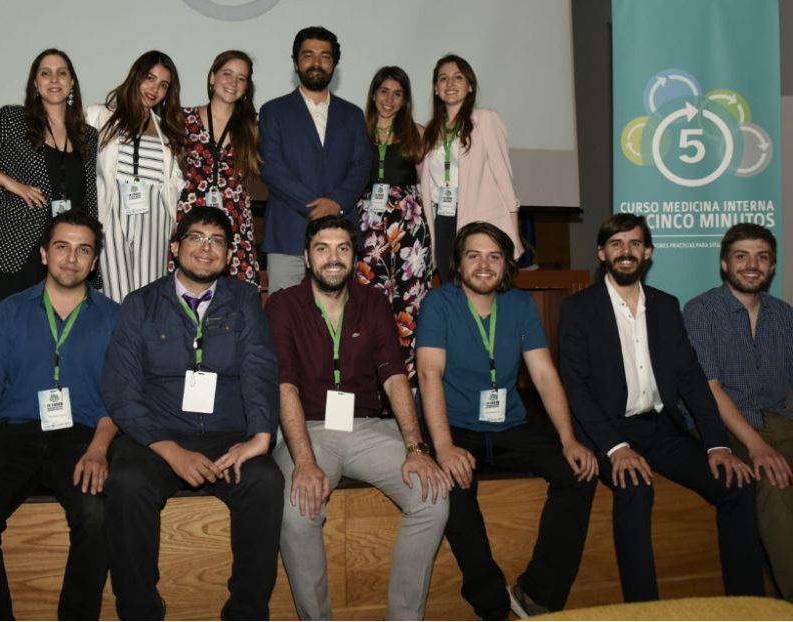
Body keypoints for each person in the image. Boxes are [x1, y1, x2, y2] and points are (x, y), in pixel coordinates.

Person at [559, 213, 765, 602]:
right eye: (616, 244)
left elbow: (691, 379)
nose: (626, 252)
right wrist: (616, 449)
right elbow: (576, 389)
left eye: (635, 244)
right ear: (602, 253)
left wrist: (716, 444)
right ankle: (645, 610)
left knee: (738, 484)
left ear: (648, 252)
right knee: (636, 489)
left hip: (661, 428)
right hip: (607, 431)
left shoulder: (667, 306)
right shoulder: (578, 309)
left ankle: (747, 605)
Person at [102, 206, 282, 620]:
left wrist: (259, 437)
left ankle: (247, 611)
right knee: (127, 483)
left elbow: (259, 367)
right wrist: (170, 450)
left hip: (226, 434)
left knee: (265, 482)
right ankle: (140, 610)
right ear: (175, 247)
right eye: (197, 237)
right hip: (158, 435)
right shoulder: (140, 304)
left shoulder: (244, 300)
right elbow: (121, 390)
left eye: (217, 241)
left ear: (228, 255)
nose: (207, 248)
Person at [266, 214, 449, 620]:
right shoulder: (282, 304)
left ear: (355, 256)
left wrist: (417, 447)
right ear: (307, 257)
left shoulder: (373, 302)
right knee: (297, 514)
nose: (333, 258)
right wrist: (305, 463)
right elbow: (285, 386)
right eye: (323, 248)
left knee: (432, 498)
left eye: (343, 248)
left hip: (366, 427)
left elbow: (395, 378)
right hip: (308, 430)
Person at [416, 222, 597, 619]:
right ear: (458, 264)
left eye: (494, 256)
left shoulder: (519, 306)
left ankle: (536, 594)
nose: (484, 265)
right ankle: (493, 605)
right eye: (474, 256)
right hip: (455, 426)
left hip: (509, 427)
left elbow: (545, 375)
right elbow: (429, 374)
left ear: (507, 264)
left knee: (578, 473)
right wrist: (443, 448)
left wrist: (568, 438)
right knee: (452, 491)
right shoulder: (439, 303)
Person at [0, 209, 120, 620]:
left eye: (83, 250)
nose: (71, 258)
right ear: (44, 254)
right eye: (62, 247)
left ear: (95, 261)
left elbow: (121, 398)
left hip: (83, 437)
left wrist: (99, 450)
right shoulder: (9, 312)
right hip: (15, 435)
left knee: (97, 515)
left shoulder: (116, 318)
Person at [683, 223, 793, 599]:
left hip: (778, 420)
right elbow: (710, 390)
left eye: (762, 257)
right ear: (725, 264)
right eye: (741, 256)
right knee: (771, 481)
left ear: (772, 266)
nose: (752, 265)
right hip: (724, 425)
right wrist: (756, 446)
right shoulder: (700, 311)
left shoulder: (784, 315)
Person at [0, 48, 99, 308]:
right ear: (35, 84)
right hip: (19, 245)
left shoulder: (88, 135)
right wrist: (9, 183)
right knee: (15, 330)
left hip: (68, 251)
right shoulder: (14, 120)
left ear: (71, 83)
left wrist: (93, 244)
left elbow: (90, 197)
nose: (54, 79)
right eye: (45, 73)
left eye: (62, 73)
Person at [259, 26, 371, 294]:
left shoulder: (353, 114)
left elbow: (361, 167)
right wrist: (315, 208)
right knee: (283, 318)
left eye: (325, 56)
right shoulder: (273, 111)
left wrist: (336, 203)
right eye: (308, 55)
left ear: (334, 64)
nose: (317, 63)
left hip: (340, 235)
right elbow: (271, 166)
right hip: (288, 233)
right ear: (296, 63)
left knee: (339, 317)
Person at [86, 50, 186, 302]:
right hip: (111, 214)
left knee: (148, 296)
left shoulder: (166, 129)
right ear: (136, 76)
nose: (155, 89)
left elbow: (175, 181)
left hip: (155, 215)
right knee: (114, 294)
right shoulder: (100, 115)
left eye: (163, 85)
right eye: (150, 78)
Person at [356, 66, 432, 377]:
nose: (390, 99)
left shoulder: (419, 132)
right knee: (367, 300)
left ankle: (407, 379)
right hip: (367, 229)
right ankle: (366, 376)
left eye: (397, 94)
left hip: (409, 228)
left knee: (409, 302)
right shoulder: (356, 131)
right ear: (373, 94)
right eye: (384, 91)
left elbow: (429, 184)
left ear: (405, 100)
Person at [417, 54, 521, 283]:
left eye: (458, 77)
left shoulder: (486, 119)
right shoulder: (429, 132)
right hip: (443, 220)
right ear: (436, 88)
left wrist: (514, 235)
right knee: (450, 287)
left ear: (470, 85)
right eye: (443, 79)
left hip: (479, 222)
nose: (450, 84)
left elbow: (504, 178)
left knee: (478, 288)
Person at [172, 50, 262, 285]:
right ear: (212, 78)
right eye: (227, 74)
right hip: (190, 217)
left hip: (235, 223)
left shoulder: (253, 127)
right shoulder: (182, 119)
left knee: (236, 300)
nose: (233, 83)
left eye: (241, 78)